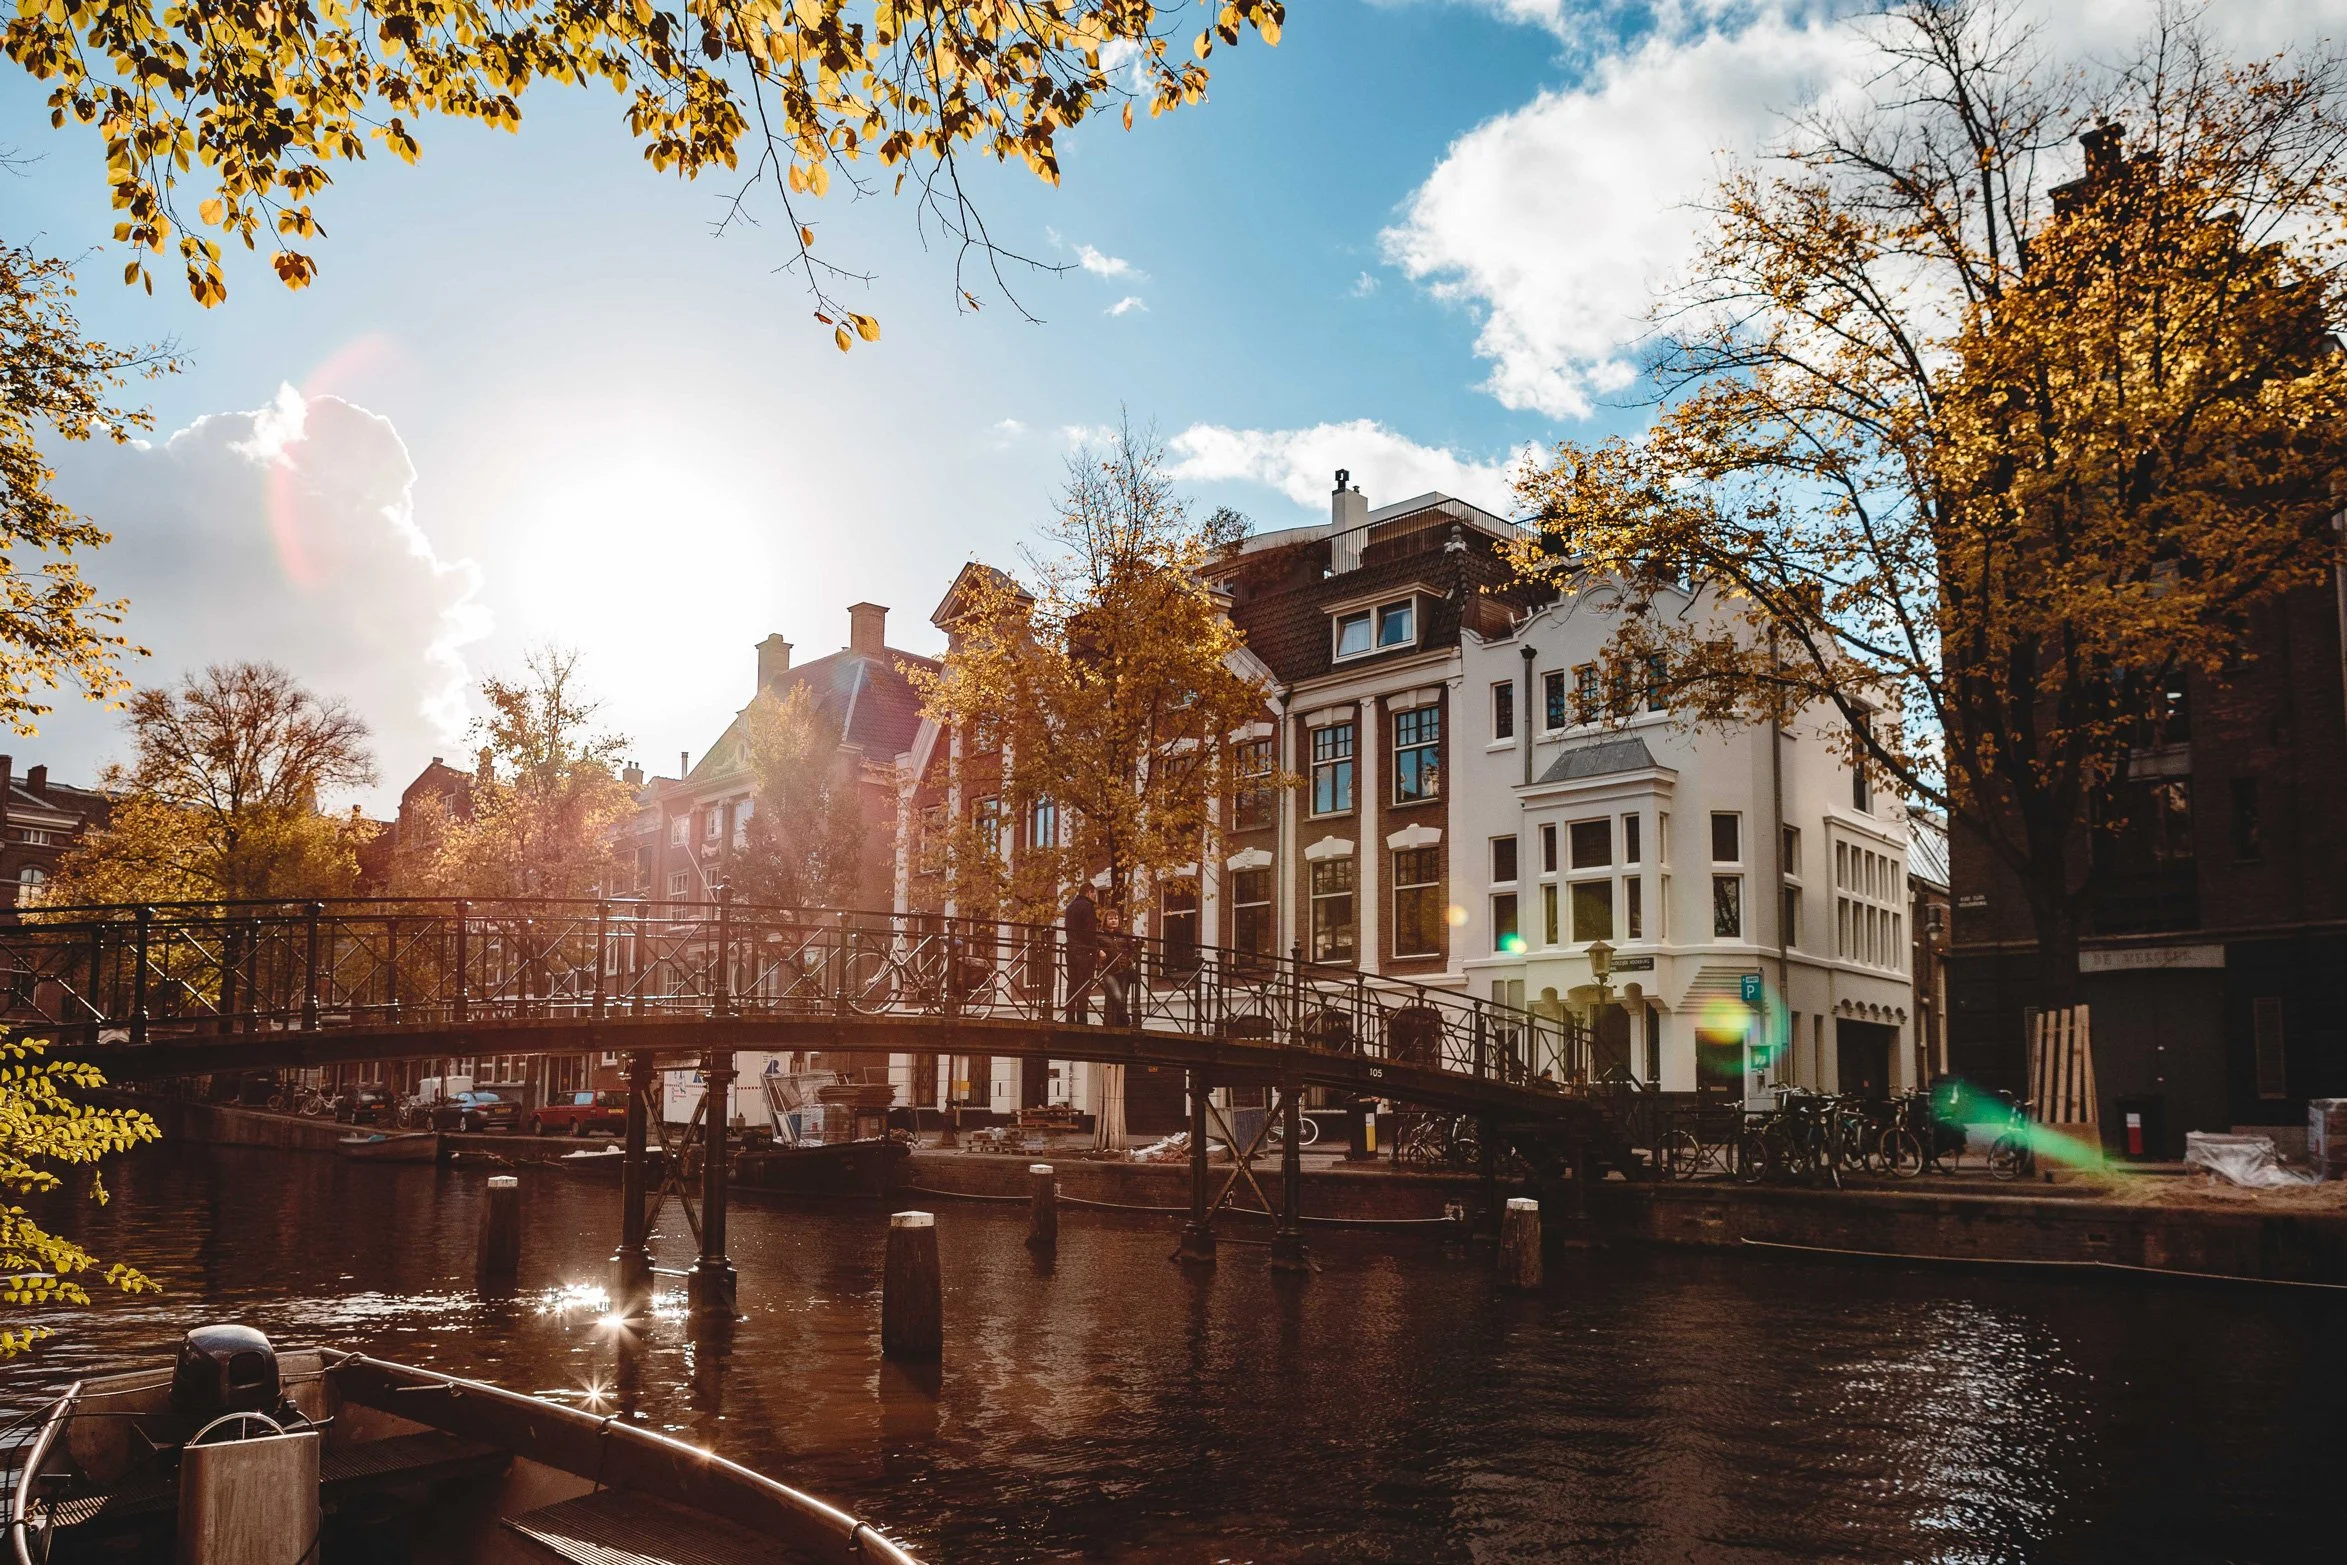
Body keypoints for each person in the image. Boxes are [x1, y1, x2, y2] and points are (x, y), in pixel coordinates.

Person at [1063, 888, 1099, 1024]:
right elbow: (1090, 931)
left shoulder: (1070, 907)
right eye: (1094, 893)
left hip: (1071, 949)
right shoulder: (1088, 907)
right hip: (1084, 950)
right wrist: (1095, 949)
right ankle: (1082, 1018)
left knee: (1072, 984)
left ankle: (1069, 1016)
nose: (1095, 897)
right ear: (1089, 892)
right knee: (1084, 985)